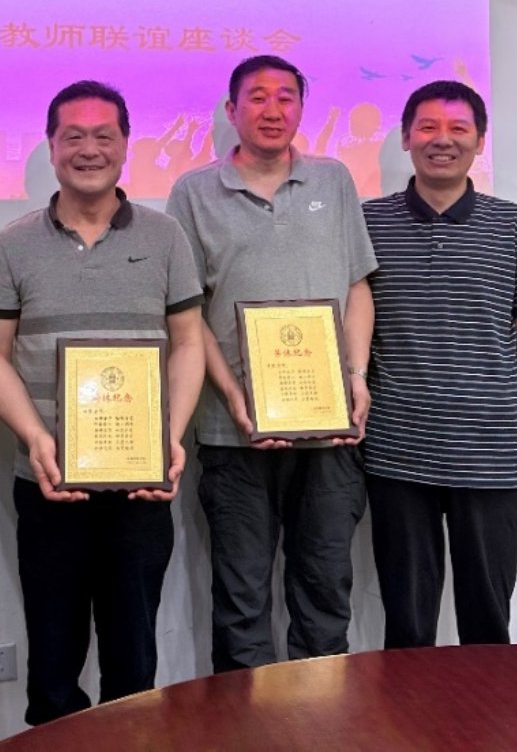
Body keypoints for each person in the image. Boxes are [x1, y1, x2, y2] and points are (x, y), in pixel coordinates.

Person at [0, 80, 205, 725]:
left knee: (134, 663)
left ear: (126, 145)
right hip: (48, 483)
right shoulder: (15, 242)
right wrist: (35, 437)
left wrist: (170, 436)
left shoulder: (165, 236)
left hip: (141, 484)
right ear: (51, 146)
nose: (89, 149)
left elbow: (189, 343)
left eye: (104, 135)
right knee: (53, 664)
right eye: (72, 136)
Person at [165, 55, 376, 672]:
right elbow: (188, 314)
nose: (273, 109)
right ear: (232, 111)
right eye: (257, 97)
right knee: (241, 598)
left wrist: (356, 377)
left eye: (286, 97)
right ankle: (245, 721)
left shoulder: (333, 180)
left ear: (302, 109)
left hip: (329, 432)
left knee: (325, 593)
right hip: (234, 434)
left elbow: (357, 286)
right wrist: (235, 397)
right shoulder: (194, 193)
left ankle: (321, 720)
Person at [359, 81, 517, 648]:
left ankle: (487, 706)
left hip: (495, 447)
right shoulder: (367, 223)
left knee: (487, 615)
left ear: (480, 140)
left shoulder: (515, 225)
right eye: (427, 127)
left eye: (458, 129)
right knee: (407, 619)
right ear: (406, 138)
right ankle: (407, 706)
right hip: (397, 447)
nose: (441, 140)